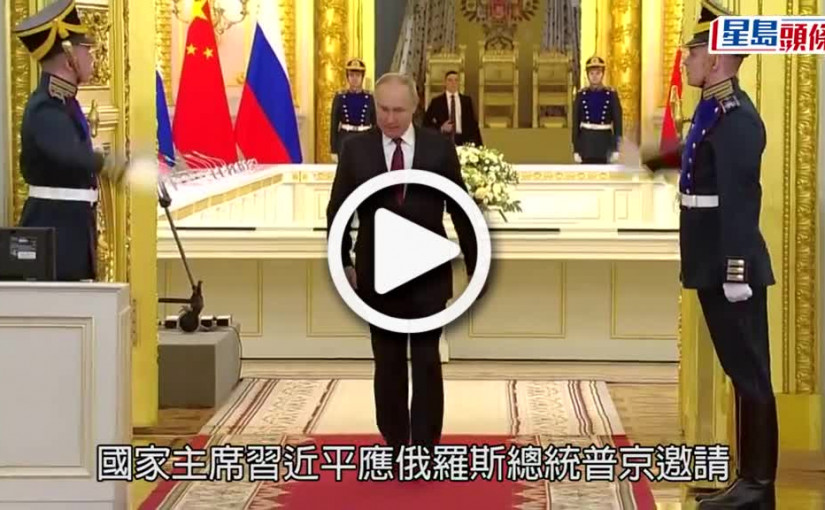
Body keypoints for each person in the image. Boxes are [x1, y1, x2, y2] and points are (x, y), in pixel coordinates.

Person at [644, 1, 777, 507]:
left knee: (751, 376)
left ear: (717, 58)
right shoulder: (713, 110)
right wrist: (654, 156)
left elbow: (740, 202)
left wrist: (736, 270)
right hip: (711, 260)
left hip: (729, 265)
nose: (687, 59)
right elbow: (699, 161)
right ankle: (748, 480)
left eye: (694, 52)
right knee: (740, 374)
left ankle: (758, 486)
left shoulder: (737, 118)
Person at [326, 73, 478, 459]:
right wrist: (343, 261)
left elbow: (460, 208)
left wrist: (475, 265)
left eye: (398, 110)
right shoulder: (355, 149)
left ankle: (424, 446)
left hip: (428, 273)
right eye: (383, 109)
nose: (390, 118)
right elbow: (338, 211)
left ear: (414, 107)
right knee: (388, 361)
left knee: (426, 361)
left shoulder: (438, 148)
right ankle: (395, 442)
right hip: (376, 274)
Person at [13, 0, 124, 281]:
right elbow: (67, 152)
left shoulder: (65, 101)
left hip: (71, 228)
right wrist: (110, 163)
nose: (92, 57)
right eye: (86, 50)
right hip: (54, 234)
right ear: (68, 56)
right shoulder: (45, 106)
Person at [572, 56, 623, 164]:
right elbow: (575, 124)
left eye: (598, 73)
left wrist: (616, 148)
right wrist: (576, 149)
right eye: (592, 73)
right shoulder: (581, 95)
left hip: (605, 142)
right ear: (587, 75)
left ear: (603, 74)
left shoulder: (611, 95)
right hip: (586, 143)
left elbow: (618, 124)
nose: (594, 76)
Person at [330, 58, 376, 160]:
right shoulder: (340, 97)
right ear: (347, 77)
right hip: (345, 139)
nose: (354, 78)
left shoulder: (369, 98)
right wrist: (334, 149)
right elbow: (334, 125)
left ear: (362, 77)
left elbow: (375, 124)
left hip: (365, 139)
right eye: (351, 75)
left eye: (358, 75)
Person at [423, 70, 483, 147]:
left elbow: (473, 124)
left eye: (456, 80)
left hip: (463, 140)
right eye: (450, 80)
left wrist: (479, 145)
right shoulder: (436, 102)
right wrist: (441, 128)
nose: (453, 83)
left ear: (459, 83)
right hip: (443, 139)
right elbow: (426, 123)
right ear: (445, 83)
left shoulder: (466, 101)